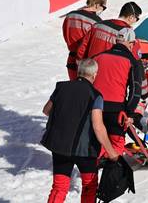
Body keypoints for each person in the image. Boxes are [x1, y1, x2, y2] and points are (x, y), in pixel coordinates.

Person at [41, 58, 119, 203]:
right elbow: (98, 126)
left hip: (60, 147)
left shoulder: (61, 88)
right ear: (95, 75)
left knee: (59, 187)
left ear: (79, 72)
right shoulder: (95, 95)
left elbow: (46, 110)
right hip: (85, 150)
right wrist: (111, 151)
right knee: (89, 187)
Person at [92, 28, 144, 156]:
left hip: (95, 107)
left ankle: (96, 169)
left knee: (99, 142)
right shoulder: (132, 61)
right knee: (116, 144)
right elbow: (135, 91)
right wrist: (130, 112)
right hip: (117, 110)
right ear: (131, 43)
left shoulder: (98, 56)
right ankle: (113, 171)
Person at [62, 0, 106, 80]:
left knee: (75, 89)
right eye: (103, 7)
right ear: (97, 5)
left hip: (71, 59)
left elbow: (65, 34)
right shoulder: (96, 22)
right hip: (87, 64)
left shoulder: (70, 15)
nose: (102, 10)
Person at [76, 2, 142, 60]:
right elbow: (135, 58)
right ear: (131, 17)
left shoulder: (98, 25)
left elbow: (82, 49)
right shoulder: (128, 33)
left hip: (91, 69)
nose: (136, 21)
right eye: (137, 19)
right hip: (109, 71)